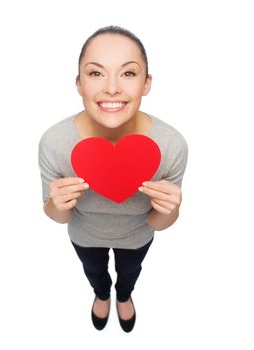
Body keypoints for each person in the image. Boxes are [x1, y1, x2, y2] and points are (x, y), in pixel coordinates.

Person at [38, 25, 188, 333]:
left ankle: (124, 294)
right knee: (93, 270)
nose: (111, 88)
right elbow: (57, 215)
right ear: (79, 83)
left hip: (137, 237)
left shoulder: (170, 144)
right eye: (96, 74)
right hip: (84, 235)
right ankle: (101, 293)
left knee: (130, 271)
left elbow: (160, 223)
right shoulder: (55, 142)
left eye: (128, 74)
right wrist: (58, 204)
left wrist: (170, 211)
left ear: (146, 84)